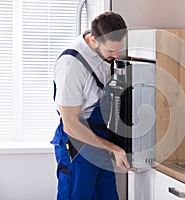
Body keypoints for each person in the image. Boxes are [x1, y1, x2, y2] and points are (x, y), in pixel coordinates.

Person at [51, 11, 133, 200]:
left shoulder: (104, 51)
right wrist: (114, 148)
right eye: (111, 51)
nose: (116, 55)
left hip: (100, 140)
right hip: (77, 145)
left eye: (119, 48)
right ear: (94, 40)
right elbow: (70, 125)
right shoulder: (72, 65)